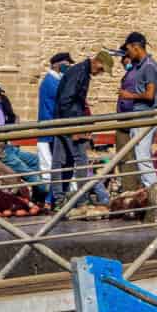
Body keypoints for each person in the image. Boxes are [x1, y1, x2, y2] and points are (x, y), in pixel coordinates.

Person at [50, 49, 111, 206]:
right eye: (102, 69)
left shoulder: (80, 71)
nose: (100, 73)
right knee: (80, 159)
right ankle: (82, 199)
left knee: (61, 160)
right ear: (97, 62)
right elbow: (67, 100)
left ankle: (59, 199)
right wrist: (75, 127)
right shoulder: (80, 73)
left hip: (62, 120)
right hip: (68, 122)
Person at [116, 32, 157, 188]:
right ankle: (149, 188)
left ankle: (153, 190)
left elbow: (150, 95)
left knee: (142, 156)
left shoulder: (148, 66)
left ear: (135, 47)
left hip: (145, 115)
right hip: (139, 115)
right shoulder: (142, 65)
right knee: (140, 155)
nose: (127, 53)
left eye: (128, 49)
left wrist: (129, 95)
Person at [37, 52, 71, 196]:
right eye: (65, 63)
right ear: (56, 64)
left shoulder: (56, 80)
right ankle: (51, 198)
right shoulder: (51, 82)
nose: (68, 66)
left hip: (52, 128)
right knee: (50, 166)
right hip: (49, 129)